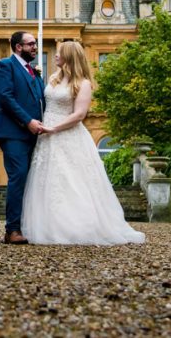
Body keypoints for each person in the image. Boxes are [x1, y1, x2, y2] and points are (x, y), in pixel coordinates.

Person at [22, 41, 145, 245]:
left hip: (67, 134)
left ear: (69, 57)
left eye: (60, 53)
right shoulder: (53, 78)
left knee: (72, 180)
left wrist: (54, 128)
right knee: (48, 180)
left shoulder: (84, 83)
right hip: (46, 136)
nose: (55, 56)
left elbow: (79, 115)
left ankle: (77, 227)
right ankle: (49, 226)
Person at [0, 30, 46, 245]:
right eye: (30, 44)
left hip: (35, 134)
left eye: (36, 44)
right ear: (18, 47)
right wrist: (28, 121)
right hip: (12, 132)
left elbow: (42, 102)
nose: (35, 47)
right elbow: (5, 97)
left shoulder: (35, 72)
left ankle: (27, 226)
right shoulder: (4, 66)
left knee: (32, 179)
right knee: (19, 176)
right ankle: (12, 229)